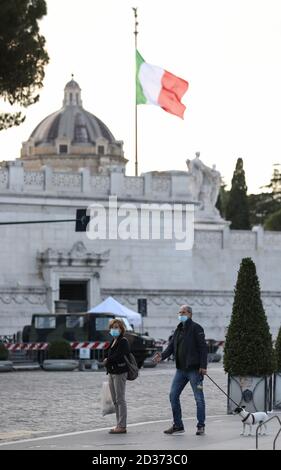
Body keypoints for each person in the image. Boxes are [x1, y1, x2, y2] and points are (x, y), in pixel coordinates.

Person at [153, 305, 208, 436]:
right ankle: (178, 425)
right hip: (181, 370)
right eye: (179, 312)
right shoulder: (178, 329)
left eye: (183, 312)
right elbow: (171, 347)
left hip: (194, 369)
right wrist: (161, 356)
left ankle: (201, 426)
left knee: (199, 398)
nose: (180, 314)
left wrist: (203, 366)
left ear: (190, 314)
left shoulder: (196, 328)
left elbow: (203, 348)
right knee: (173, 395)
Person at [103, 318, 130, 434]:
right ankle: (118, 424)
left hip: (120, 372)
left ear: (121, 329)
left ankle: (122, 425)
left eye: (117, 327)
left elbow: (119, 355)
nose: (114, 330)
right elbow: (108, 354)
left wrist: (108, 360)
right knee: (115, 400)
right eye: (113, 327)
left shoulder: (123, 341)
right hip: (112, 372)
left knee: (120, 399)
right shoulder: (113, 341)